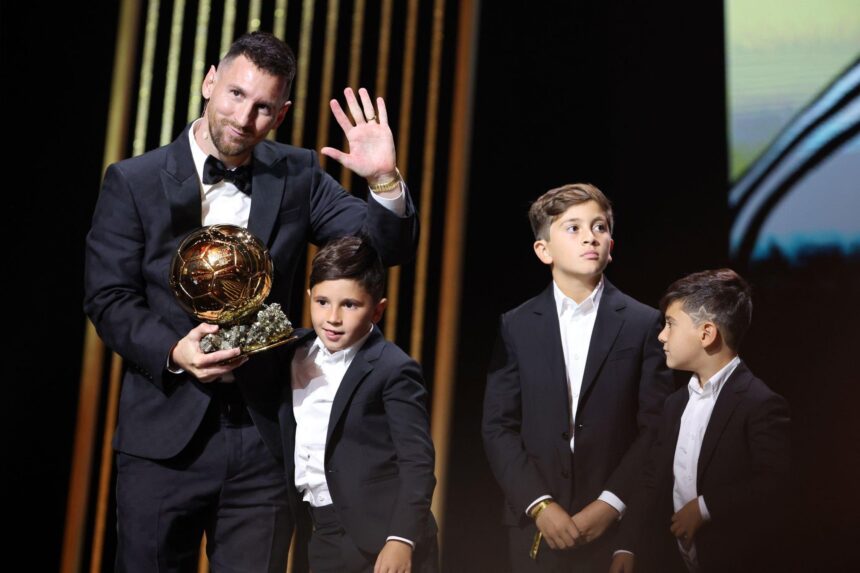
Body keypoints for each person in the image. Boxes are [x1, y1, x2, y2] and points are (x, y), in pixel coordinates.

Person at [84, 31, 417, 572]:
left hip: (262, 440)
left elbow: (382, 249)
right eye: (236, 94)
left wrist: (383, 180)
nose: (244, 117)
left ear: (280, 115)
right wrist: (176, 350)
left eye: (263, 107)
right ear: (209, 82)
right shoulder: (134, 180)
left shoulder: (298, 174)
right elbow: (109, 298)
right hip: (163, 440)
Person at [482, 183, 674, 572]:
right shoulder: (516, 325)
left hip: (615, 527)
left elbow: (655, 427)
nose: (590, 237)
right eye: (573, 228)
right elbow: (498, 426)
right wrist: (539, 504)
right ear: (544, 250)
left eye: (600, 227)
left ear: (611, 244)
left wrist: (610, 504)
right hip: (535, 526)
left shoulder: (642, 323)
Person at [609, 269, 791, 573]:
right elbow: (652, 480)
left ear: (706, 334)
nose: (661, 335)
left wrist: (705, 508)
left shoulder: (760, 403)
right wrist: (627, 544)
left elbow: (775, 482)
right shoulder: (675, 404)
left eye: (670, 324)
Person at [277, 235, 438, 573]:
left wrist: (401, 539)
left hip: (380, 535)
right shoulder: (293, 351)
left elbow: (418, 462)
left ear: (378, 309)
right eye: (322, 302)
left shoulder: (393, 368)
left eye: (349, 305)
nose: (332, 317)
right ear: (309, 298)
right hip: (319, 530)